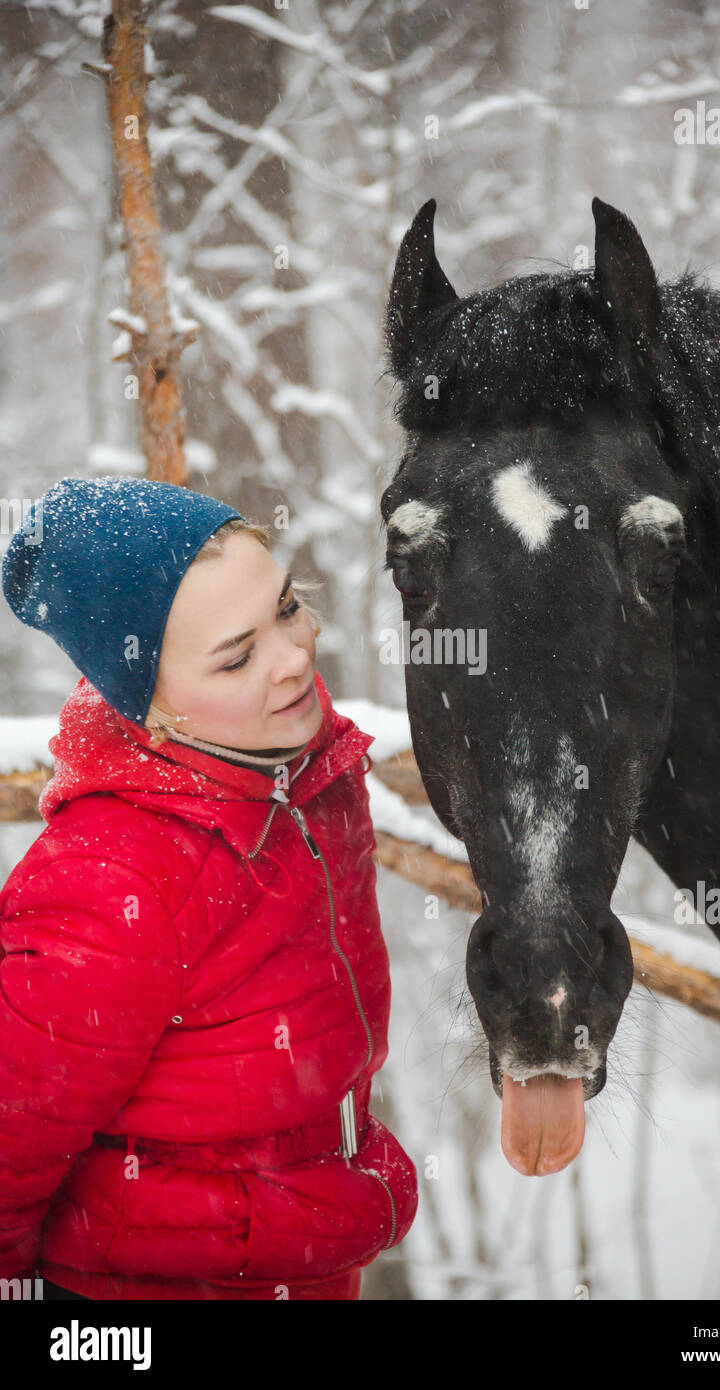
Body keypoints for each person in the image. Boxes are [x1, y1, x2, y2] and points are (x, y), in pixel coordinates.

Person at [0, 476, 418, 1300]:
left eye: (288, 608)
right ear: (145, 709)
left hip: (305, 1253)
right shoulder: (110, 880)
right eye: (238, 656)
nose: (296, 656)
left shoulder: (311, 772)